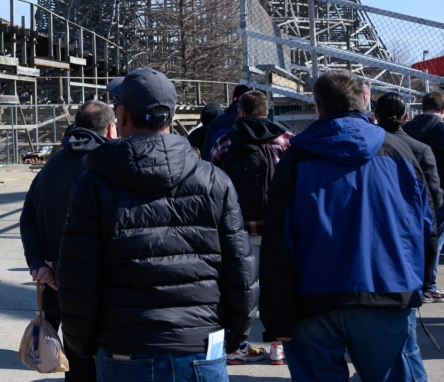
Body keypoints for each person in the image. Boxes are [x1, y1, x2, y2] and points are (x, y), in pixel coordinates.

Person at [57, 68, 258, 382]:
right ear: (172, 114)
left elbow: (78, 275)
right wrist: (235, 336)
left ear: (121, 116)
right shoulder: (214, 181)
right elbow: (241, 271)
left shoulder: (93, 184)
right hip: (201, 345)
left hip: (125, 347)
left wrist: (81, 343)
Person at [260, 71, 434, 382]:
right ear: (365, 102)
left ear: (318, 107)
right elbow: (425, 228)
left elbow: (278, 238)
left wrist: (277, 316)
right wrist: (417, 286)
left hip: (312, 299)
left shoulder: (297, 158)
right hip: (386, 290)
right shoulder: (401, 153)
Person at [20, 100, 116, 382]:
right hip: (97, 289)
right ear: (111, 129)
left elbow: (28, 218)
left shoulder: (52, 165)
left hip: (55, 286)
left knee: (75, 365)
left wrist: (40, 264)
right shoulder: (108, 164)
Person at [209, 90, 292, 364]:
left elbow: (213, 187)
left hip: (237, 231)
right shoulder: (285, 140)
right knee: (276, 288)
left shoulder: (224, 143)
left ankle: (238, 346)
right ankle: (278, 347)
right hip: (275, 229)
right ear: (266, 111)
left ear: (240, 111)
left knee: (240, 290)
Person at [403, 90, 444, 303]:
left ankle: (416, 282)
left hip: (410, 193)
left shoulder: (405, 129)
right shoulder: (442, 130)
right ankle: (430, 285)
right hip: (438, 194)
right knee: (435, 239)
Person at [200, 84, 251, 159]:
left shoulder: (215, 123)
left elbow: (206, 153)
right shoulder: (253, 122)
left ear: (232, 99)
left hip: (218, 168)